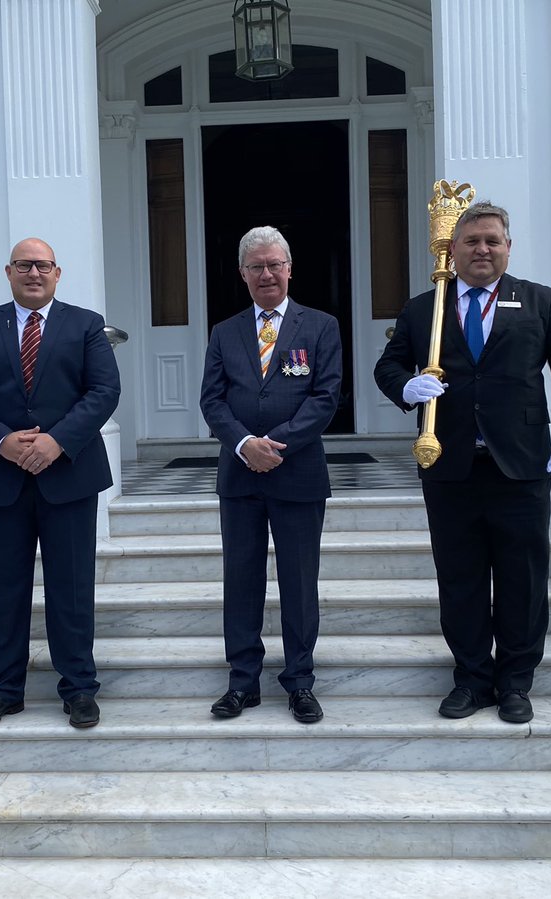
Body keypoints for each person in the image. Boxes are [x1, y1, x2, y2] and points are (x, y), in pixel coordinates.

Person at [374, 202, 551, 724]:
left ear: (508, 246)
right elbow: (389, 364)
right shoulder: (424, 308)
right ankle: (472, 679)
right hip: (449, 465)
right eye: (471, 241)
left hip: (518, 465)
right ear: (454, 249)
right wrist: (406, 387)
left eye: (492, 240)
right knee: (460, 578)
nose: (482, 250)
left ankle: (516, 682)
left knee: (522, 578)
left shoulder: (540, 302)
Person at [0, 237, 121, 730]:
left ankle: (79, 689)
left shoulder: (85, 324)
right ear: (9, 271)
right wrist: (3, 442)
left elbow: (104, 389)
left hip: (69, 475)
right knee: (4, 588)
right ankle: (2, 691)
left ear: (57, 273)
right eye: (25, 265)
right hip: (2, 476)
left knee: (71, 586)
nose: (34, 273)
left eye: (43, 265)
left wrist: (56, 442)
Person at [199, 226, 342, 724]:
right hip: (240, 477)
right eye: (256, 266)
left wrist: (275, 445)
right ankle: (242, 682)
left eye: (275, 264)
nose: (267, 274)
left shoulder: (321, 325)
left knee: (299, 583)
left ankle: (300, 681)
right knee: (241, 580)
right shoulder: (225, 331)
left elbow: (326, 397)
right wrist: (243, 445)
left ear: (289, 268)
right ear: (242, 274)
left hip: (297, 473)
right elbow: (211, 399)